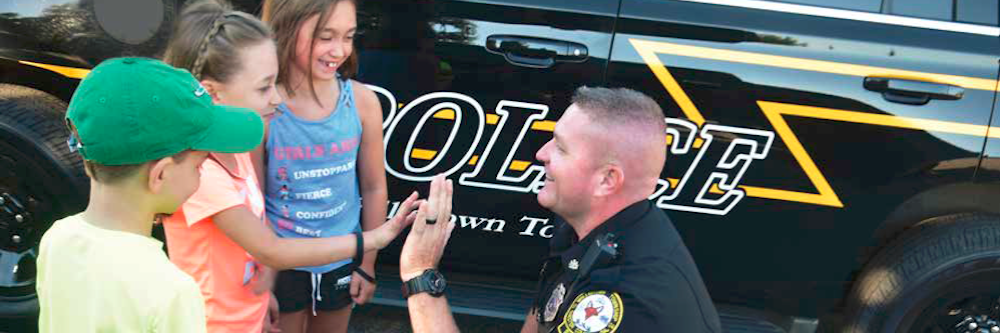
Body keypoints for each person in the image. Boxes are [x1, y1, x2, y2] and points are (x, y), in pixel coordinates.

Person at [160, 1, 418, 332]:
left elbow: (256, 227)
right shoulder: (203, 171)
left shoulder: (236, 148)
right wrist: (373, 239)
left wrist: (362, 264)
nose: (276, 98)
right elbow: (270, 247)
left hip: (262, 300)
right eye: (264, 86)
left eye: (349, 36)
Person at [399, 87, 723, 332]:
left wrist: (420, 275)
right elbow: (543, 317)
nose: (541, 153)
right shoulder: (590, 225)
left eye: (561, 147)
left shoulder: (621, 298)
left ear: (607, 180)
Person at [35, 57, 266, 332]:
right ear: (161, 175)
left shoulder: (56, 238)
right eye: (199, 164)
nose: (201, 174)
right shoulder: (171, 291)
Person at [261, 0, 389, 332]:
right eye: (325, 36)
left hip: (342, 260)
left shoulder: (362, 103)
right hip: (280, 263)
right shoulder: (262, 111)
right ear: (286, 30)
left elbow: (374, 186)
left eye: (348, 36)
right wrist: (262, 281)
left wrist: (366, 263)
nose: (339, 50)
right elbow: (252, 202)